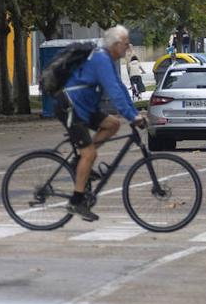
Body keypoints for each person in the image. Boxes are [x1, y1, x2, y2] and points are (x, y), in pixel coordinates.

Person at [54, 25, 145, 222]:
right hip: (70, 107)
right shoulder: (101, 59)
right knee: (90, 153)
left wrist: (134, 112)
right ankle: (76, 201)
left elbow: (120, 88)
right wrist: (132, 117)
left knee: (113, 124)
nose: (128, 48)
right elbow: (113, 91)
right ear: (115, 44)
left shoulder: (108, 60)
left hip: (84, 107)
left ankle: (79, 161)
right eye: (126, 44)